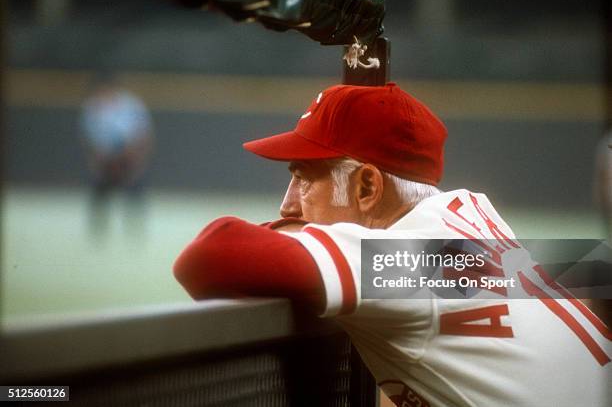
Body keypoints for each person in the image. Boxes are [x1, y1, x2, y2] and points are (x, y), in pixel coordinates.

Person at [173, 83, 611, 406]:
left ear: (367, 186)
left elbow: (206, 257)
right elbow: (596, 266)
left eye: (304, 178)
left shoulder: (405, 262)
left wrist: (292, 234)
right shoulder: (470, 217)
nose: (288, 204)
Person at [80, 74, 154, 238]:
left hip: (128, 155)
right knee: (100, 191)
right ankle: (98, 230)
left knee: (134, 190)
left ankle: (135, 230)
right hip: (105, 157)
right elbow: (88, 137)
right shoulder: (93, 107)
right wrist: (96, 158)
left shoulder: (131, 105)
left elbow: (143, 133)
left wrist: (137, 157)